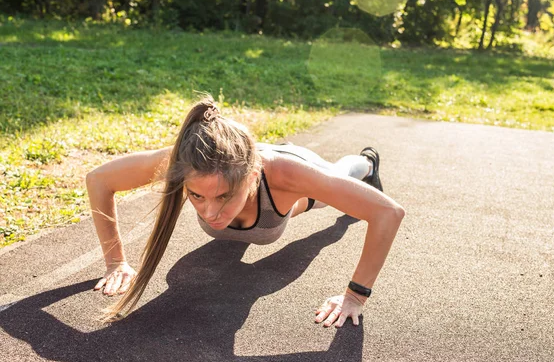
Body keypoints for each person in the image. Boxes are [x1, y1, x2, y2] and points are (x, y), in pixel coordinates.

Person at [86, 94, 405, 328]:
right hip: (247, 171)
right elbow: (98, 180)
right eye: (196, 196)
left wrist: (355, 297)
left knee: (332, 186)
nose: (209, 212)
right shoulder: (180, 163)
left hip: (288, 179)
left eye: (224, 197)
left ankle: (367, 163)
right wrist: (115, 262)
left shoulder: (287, 175)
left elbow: (388, 213)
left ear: (251, 179)